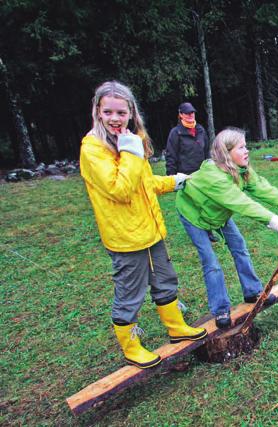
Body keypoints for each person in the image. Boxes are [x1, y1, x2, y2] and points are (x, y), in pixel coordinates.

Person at [79, 81, 207, 369]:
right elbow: (121, 189)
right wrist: (130, 152)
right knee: (130, 293)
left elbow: (143, 183)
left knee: (165, 279)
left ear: (131, 113)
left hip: (150, 230)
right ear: (98, 112)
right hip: (125, 238)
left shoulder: (128, 140)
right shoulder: (93, 149)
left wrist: (175, 181)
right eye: (108, 111)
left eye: (121, 112)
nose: (115, 118)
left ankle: (176, 327)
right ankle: (131, 346)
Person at [175, 127, 278, 329]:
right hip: (193, 214)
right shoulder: (214, 178)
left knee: (239, 246)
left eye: (246, 146)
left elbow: (262, 187)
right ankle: (221, 309)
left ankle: (253, 292)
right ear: (226, 153)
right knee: (211, 262)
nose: (247, 151)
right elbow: (244, 204)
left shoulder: (240, 169)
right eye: (241, 147)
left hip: (219, 212)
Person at [165, 102, 210, 175]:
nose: (191, 115)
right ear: (181, 115)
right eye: (187, 113)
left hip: (202, 174)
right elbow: (171, 157)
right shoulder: (175, 133)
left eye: (192, 112)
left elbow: (207, 152)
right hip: (185, 176)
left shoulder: (201, 130)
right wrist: (171, 176)